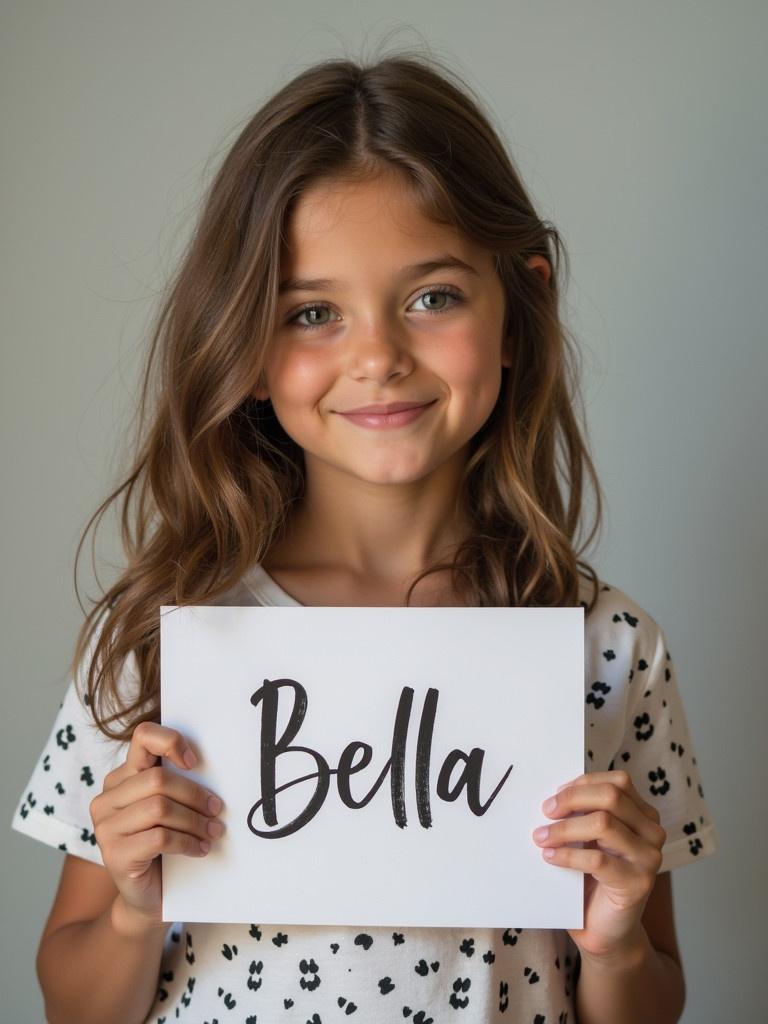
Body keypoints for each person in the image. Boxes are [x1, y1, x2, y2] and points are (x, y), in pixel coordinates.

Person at [10, 48, 717, 1024]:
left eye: (433, 297)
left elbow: (650, 1003)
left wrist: (618, 936)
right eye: (313, 313)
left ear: (516, 310)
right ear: (249, 350)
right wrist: (135, 908)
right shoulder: (158, 637)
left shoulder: (607, 650)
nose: (378, 355)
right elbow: (73, 1005)